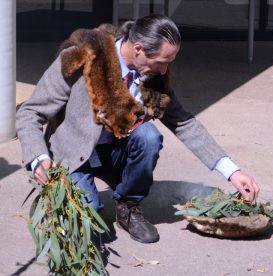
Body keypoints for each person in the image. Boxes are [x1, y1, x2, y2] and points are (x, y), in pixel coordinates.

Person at [16, 14, 259, 244]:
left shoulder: (152, 76)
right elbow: (30, 112)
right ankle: (78, 197)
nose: (164, 70)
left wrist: (232, 171)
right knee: (88, 221)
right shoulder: (80, 57)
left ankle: (128, 206)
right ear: (139, 49)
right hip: (72, 154)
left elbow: (184, 122)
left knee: (149, 136)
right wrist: (39, 158)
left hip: (113, 151)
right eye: (161, 62)